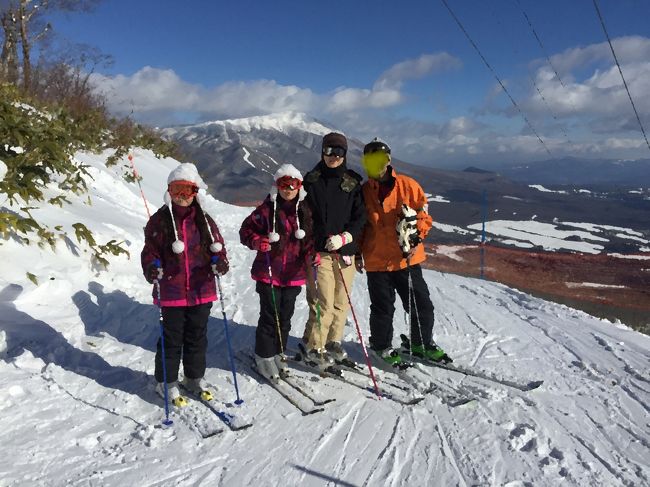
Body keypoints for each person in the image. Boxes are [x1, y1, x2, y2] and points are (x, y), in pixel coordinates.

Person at [141, 163, 229, 406]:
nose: (182, 196)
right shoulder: (159, 221)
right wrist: (152, 267)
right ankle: (166, 382)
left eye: (187, 190)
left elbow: (218, 246)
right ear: (169, 191)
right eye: (177, 189)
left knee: (197, 337)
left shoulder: (205, 221)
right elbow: (149, 251)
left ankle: (194, 377)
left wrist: (219, 262)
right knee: (171, 338)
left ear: (195, 192)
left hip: (202, 289)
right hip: (172, 291)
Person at [357, 138, 450, 366]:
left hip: (406, 258)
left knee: (421, 303)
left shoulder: (409, 186)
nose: (375, 164)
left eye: (379, 159)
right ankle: (381, 346)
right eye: (370, 160)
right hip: (376, 259)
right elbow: (358, 224)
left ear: (388, 160)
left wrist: (417, 234)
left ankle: (421, 343)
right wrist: (357, 252)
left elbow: (423, 214)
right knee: (382, 308)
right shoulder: (363, 192)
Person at [239, 164, 315, 382]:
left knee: (285, 316)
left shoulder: (305, 211)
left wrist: (312, 254)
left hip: (293, 274)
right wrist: (257, 241)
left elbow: (310, 239)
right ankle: (264, 355)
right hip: (269, 272)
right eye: (284, 184)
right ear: (277, 186)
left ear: (299, 187)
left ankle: (279, 351)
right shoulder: (266, 210)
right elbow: (246, 231)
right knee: (270, 316)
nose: (288, 188)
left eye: (293, 184)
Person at [301, 132, 367, 368]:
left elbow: (360, 217)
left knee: (341, 301)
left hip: (345, 251)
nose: (333, 157)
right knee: (324, 302)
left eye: (338, 152)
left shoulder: (352, 183)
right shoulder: (311, 181)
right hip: (321, 251)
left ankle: (333, 341)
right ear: (322, 152)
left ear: (345, 155)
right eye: (329, 151)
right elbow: (305, 218)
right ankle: (314, 346)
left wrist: (346, 237)